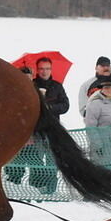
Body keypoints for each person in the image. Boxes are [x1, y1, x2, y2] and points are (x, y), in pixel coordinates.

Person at [30, 57, 69, 194]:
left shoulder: (57, 86)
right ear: (37, 70)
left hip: (53, 129)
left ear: (51, 69)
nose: (44, 71)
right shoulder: (31, 85)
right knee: (36, 159)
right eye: (41, 68)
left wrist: (49, 107)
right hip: (35, 129)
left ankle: (51, 188)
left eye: (47, 68)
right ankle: (38, 187)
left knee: (52, 159)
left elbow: (65, 106)